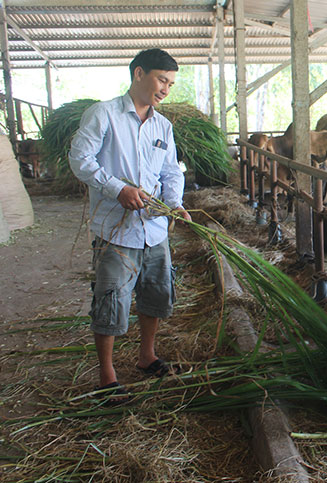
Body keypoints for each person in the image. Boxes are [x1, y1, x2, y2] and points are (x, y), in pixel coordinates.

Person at [69, 48, 191, 401]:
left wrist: (175, 204)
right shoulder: (103, 114)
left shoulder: (162, 125)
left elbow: (171, 171)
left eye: (170, 83)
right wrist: (117, 188)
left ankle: (146, 356)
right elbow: (80, 159)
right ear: (139, 74)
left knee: (155, 294)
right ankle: (107, 375)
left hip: (154, 230)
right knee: (110, 299)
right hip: (116, 230)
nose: (166, 89)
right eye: (161, 80)